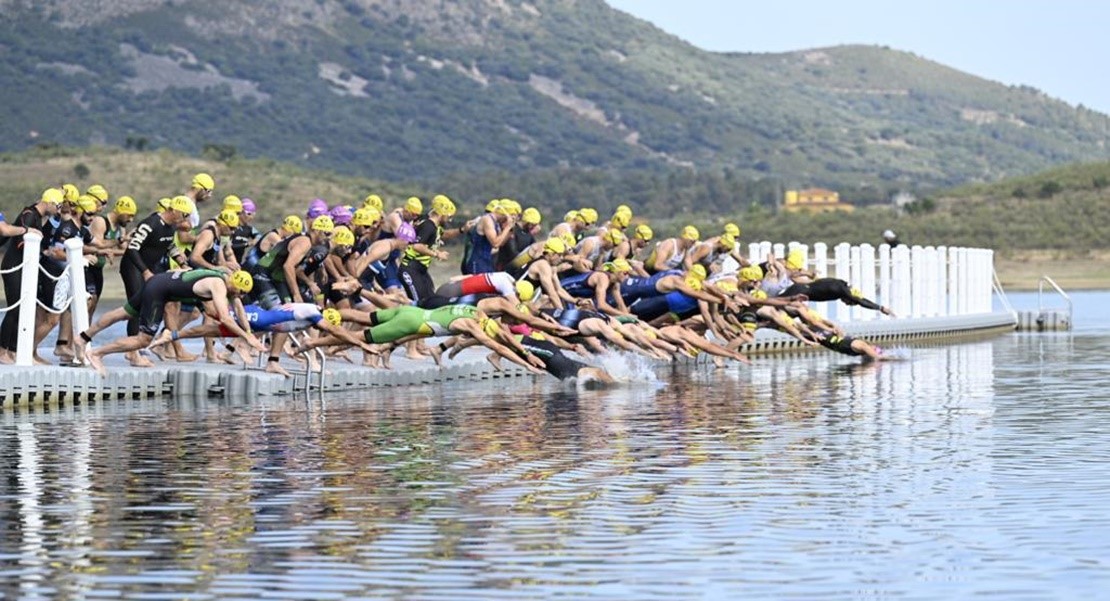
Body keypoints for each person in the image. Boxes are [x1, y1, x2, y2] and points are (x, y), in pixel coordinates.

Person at [76, 269, 264, 376]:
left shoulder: (223, 275)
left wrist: (247, 330)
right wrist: (248, 336)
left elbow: (237, 306)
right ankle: (97, 353)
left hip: (159, 280)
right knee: (143, 340)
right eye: (240, 293)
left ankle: (83, 337)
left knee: (122, 313)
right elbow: (224, 317)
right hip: (159, 292)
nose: (239, 297)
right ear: (235, 286)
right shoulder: (219, 286)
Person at [0, 188, 55, 364]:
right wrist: (26, 231)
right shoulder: (30, 215)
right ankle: (2, 351)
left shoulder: (38, 217)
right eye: (59, 206)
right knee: (14, 308)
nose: (59, 210)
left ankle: (14, 351)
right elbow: (6, 231)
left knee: (22, 309)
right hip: (14, 265)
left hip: (24, 268)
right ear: (50, 202)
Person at [400, 195, 455, 305]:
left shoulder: (433, 226)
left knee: (431, 300)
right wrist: (437, 254)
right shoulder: (428, 226)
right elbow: (417, 246)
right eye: (448, 216)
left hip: (421, 270)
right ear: (441, 214)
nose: (449, 220)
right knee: (419, 303)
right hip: (410, 269)